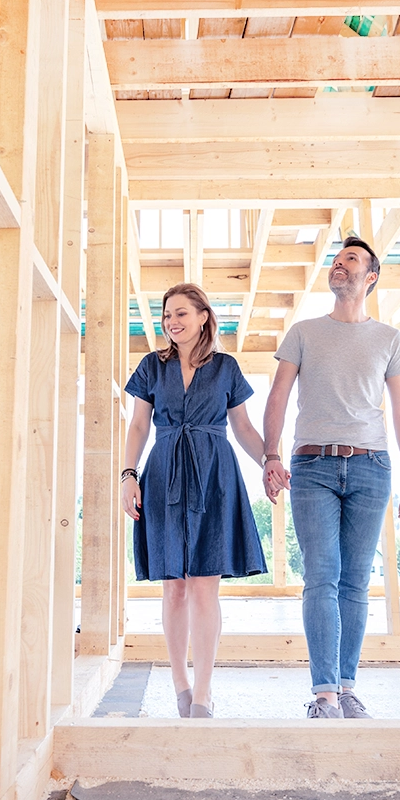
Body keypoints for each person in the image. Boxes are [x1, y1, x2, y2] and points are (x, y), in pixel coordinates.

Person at [262, 236, 400, 719]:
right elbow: (278, 395)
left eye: (349, 260)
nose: (339, 265)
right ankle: (325, 695)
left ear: (370, 277)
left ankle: (347, 689)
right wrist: (271, 454)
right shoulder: (304, 332)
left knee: (355, 581)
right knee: (321, 576)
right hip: (312, 467)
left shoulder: (389, 338)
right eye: (335, 260)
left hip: (373, 466)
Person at [121, 283, 267, 719]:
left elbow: (242, 428)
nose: (173, 322)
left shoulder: (226, 367)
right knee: (174, 588)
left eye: (181, 313)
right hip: (163, 471)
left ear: (204, 316)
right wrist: (128, 475)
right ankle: (179, 683)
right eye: (167, 316)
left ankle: (203, 693)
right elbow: (137, 428)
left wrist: (270, 462)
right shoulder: (152, 366)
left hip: (214, 475)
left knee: (205, 586)